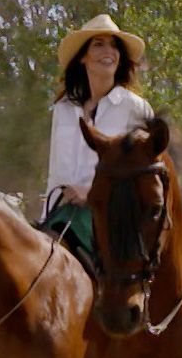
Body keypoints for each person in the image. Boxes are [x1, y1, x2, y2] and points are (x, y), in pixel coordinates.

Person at [44, 14, 154, 244]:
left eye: (114, 46)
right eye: (99, 44)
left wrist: (92, 193)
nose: (109, 52)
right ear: (83, 56)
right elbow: (55, 172)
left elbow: (146, 176)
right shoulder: (63, 109)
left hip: (109, 221)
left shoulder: (135, 108)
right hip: (58, 216)